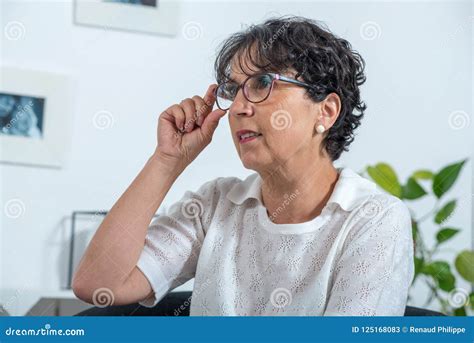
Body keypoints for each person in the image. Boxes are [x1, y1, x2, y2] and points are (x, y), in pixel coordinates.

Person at [72, 16, 414, 316]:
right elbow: (99, 285)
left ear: (325, 111)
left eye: (263, 83)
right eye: (233, 90)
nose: (237, 108)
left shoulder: (375, 219)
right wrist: (167, 161)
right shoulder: (216, 205)